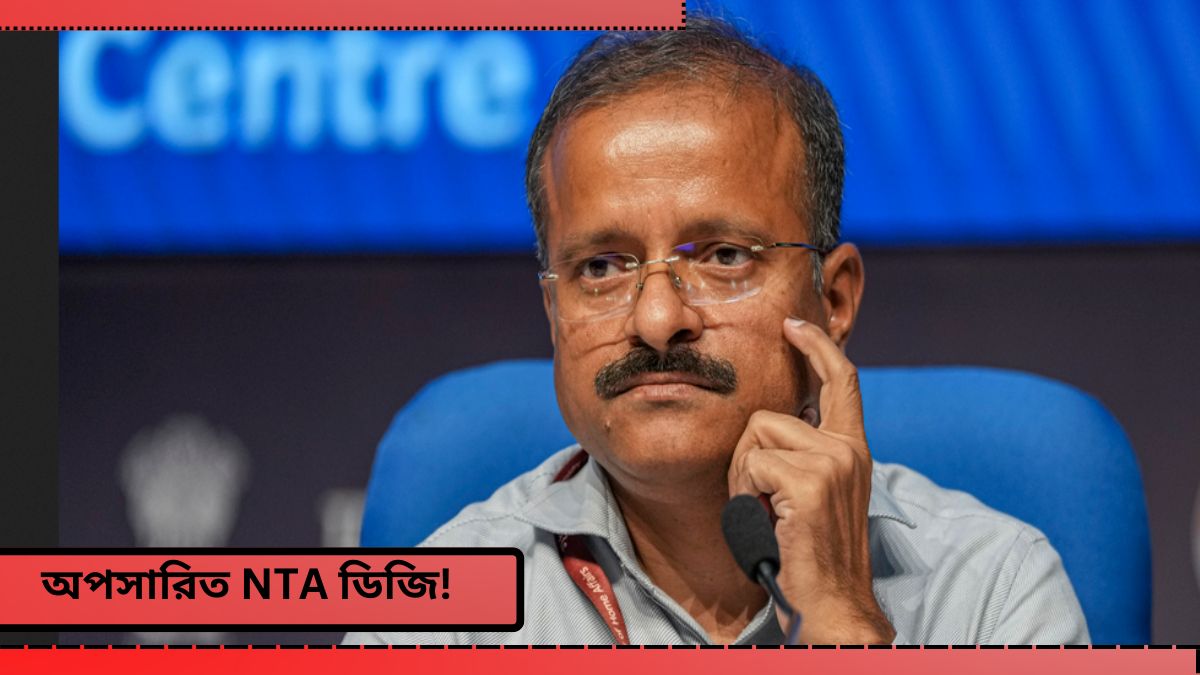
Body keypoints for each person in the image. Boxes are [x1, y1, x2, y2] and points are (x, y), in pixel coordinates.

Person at [344, 17, 1089, 645]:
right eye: (601, 267)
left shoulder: (996, 591)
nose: (657, 320)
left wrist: (841, 622)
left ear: (833, 298)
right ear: (553, 310)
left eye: (724, 256)